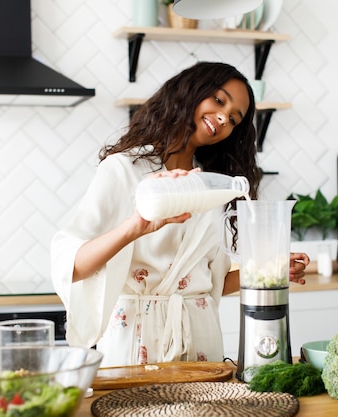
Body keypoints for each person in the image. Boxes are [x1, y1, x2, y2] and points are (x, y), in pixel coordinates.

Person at [51, 62, 309, 367]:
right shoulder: (123, 170)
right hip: (135, 341)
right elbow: (73, 267)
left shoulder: (213, 186)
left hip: (201, 340)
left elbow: (209, 281)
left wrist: (268, 271)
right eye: (218, 100)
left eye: (234, 119)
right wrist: (135, 226)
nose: (225, 117)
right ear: (190, 92)